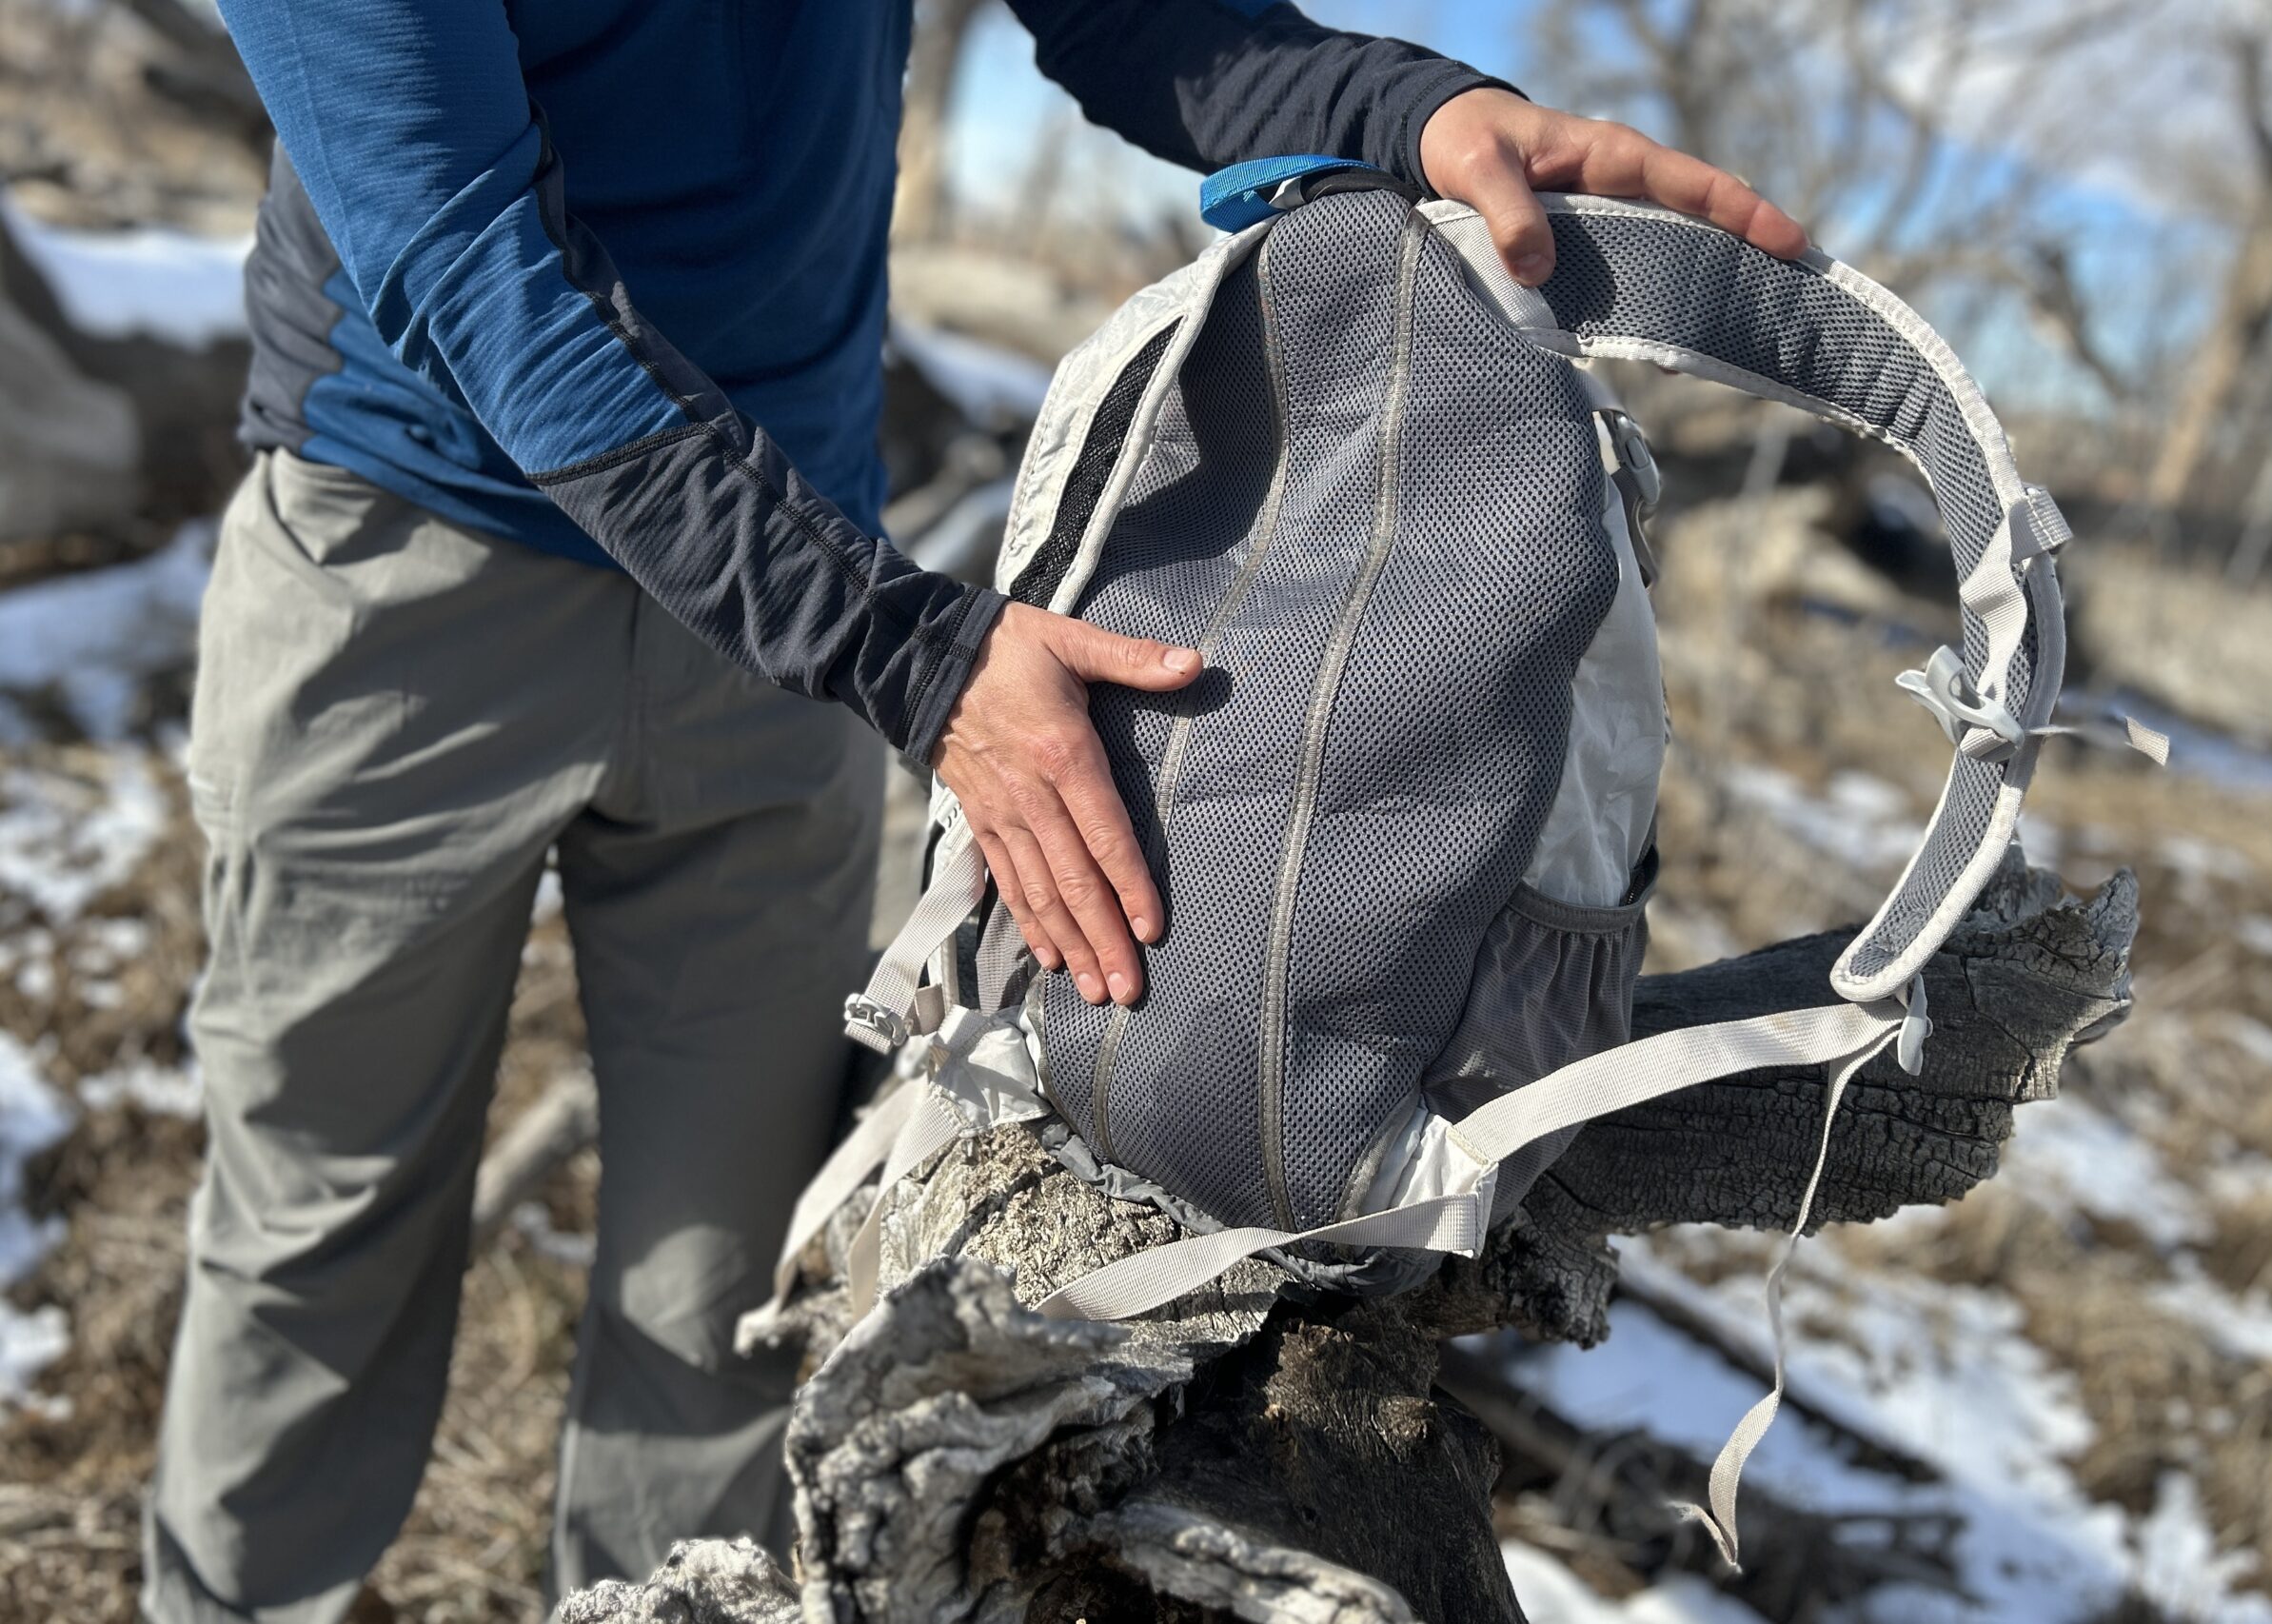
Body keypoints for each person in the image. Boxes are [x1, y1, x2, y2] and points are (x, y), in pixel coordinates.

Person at [147, 1, 1807, 1616]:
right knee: (319, 1229)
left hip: (773, 615)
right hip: (411, 586)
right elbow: (459, 259)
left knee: (727, 1275)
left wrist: (1402, 107)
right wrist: (908, 656)